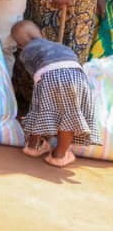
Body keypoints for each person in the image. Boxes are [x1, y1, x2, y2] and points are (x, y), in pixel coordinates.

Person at [12, 20, 102, 168]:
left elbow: (34, 74)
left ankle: (33, 147)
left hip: (46, 77)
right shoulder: (60, 46)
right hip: (75, 76)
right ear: (42, 34)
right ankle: (59, 156)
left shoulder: (26, 52)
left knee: (39, 112)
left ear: (20, 45)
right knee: (68, 116)